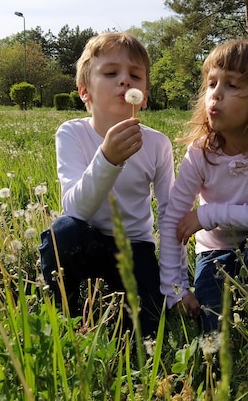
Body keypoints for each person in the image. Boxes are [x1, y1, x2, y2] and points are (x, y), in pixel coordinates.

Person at [159, 39, 248, 333]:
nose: (216, 95)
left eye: (232, 85)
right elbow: (175, 218)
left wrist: (207, 215)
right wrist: (176, 288)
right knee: (213, 328)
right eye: (212, 83)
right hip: (214, 256)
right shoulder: (201, 151)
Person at [38, 32, 173, 337]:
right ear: (85, 92)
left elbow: (169, 214)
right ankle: (67, 317)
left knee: (145, 330)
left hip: (135, 247)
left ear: (145, 95)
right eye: (111, 73)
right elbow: (73, 209)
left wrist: (173, 281)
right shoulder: (71, 134)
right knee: (63, 232)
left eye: (134, 75)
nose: (125, 80)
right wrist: (108, 159)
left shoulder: (157, 144)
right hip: (87, 239)